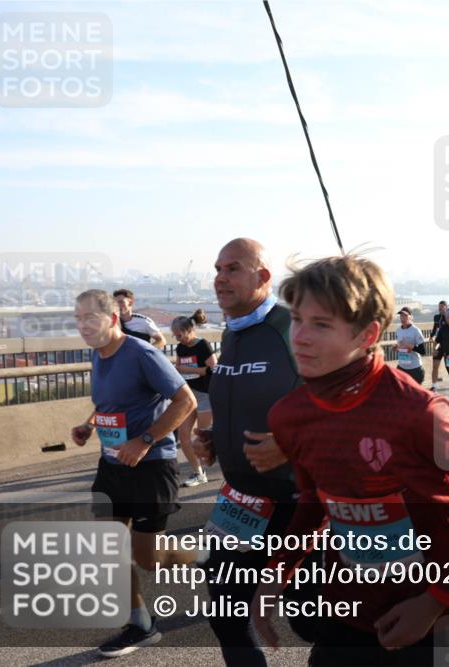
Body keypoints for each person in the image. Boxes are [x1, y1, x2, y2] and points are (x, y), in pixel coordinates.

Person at [251, 254, 449, 665]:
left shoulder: (418, 411)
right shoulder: (290, 415)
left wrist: (437, 599)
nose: (300, 337)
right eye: (297, 320)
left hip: (432, 619)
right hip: (345, 615)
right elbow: (315, 501)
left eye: (321, 324)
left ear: (367, 334)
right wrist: (276, 574)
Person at [191, 238, 311, 666]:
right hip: (240, 503)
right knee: (226, 617)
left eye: (233, 269)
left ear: (263, 277)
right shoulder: (233, 332)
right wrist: (214, 438)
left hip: (297, 505)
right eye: (217, 269)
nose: (220, 278)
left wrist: (290, 444)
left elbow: (342, 406)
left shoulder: (293, 327)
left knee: (313, 622)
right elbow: (249, 400)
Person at [70, 289, 199, 657]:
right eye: (78, 319)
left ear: (112, 319)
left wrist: (144, 441)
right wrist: (89, 424)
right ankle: (141, 624)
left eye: (90, 318)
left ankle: (207, 557)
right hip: (112, 466)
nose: (82, 326)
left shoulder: (143, 354)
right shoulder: (98, 353)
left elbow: (185, 401)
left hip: (151, 466)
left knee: (148, 559)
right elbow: (109, 402)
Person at [171, 310, 216, 487]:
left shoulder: (202, 345)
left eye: (179, 335)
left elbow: (213, 369)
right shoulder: (180, 348)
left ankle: (228, 465)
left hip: (205, 395)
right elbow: (178, 368)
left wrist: (188, 369)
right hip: (189, 397)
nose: (177, 339)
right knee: (184, 436)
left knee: (202, 438)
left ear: (189, 331)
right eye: (175, 336)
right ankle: (198, 473)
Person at [394, 306, 427, 386]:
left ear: (411, 317)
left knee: (416, 393)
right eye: (401, 316)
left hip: (414, 369)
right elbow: (401, 346)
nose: (402, 318)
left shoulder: (416, 330)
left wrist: (411, 346)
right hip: (402, 367)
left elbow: (423, 351)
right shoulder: (398, 330)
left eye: (405, 315)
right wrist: (397, 348)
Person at [429, 301, 449, 392]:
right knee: (435, 366)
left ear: (446, 307)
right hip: (438, 345)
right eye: (439, 307)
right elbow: (435, 328)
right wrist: (431, 336)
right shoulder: (436, 317)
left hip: (447, 345)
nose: (439, 308)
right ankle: (434, 387)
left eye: (442, 307)